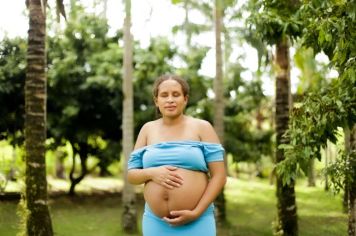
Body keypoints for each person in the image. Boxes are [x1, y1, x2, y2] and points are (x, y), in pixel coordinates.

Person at [127, 74, 226, 235]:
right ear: (156, 101)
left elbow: (219, 176)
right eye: (164, 95)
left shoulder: (202, 127)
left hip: (197, 220)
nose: (170, 100)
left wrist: (196, 213)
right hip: (156, 222)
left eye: (176, 94)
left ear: (185, 99)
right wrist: (152, 173)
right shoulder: (147, 129)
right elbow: (131, 175)